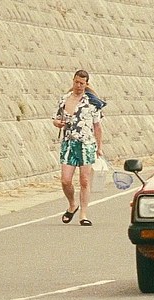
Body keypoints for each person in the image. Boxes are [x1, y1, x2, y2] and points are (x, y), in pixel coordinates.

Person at [52, 69, 103, 226]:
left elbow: (97, 126)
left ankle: (83, 214)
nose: (79, 85)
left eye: (82, 83)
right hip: (69, 143)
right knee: (65, 180)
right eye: (76, 82)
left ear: (86, 84)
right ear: (73, 81)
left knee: (84, 181)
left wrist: (99, 147)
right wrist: (57, 123)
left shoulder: (92, 103)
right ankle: (72, 204)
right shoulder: (64, 99)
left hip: (86, 144)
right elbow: (56, 118)